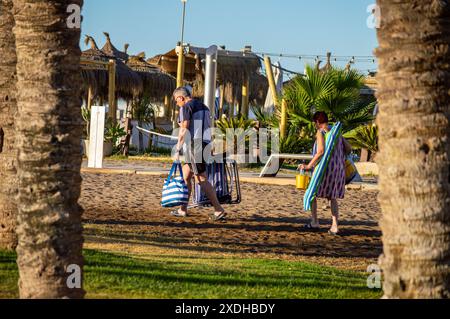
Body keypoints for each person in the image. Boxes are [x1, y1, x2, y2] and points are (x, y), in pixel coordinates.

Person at [171, 87, 226, 221]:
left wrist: (177, 148)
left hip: (195, 145)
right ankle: (182, 209)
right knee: (186, 175)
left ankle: (219, 210)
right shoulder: (205, 107)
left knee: (201, 179)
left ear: (180, 98)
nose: (177, 104)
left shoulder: (186, 107)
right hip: (205, 143)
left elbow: (184, 129)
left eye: (176, 101)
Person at [298, 111, 352, 235]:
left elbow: (321, 151)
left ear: (317, 122)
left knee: (311, 192)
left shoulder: (320, 132)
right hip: (338, 169)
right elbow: (349, 148)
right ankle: (334, 226)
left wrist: (308, 166)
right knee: (332, 197)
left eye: (314, 123)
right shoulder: (336, 132)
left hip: (324, 169)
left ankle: (315, 221)